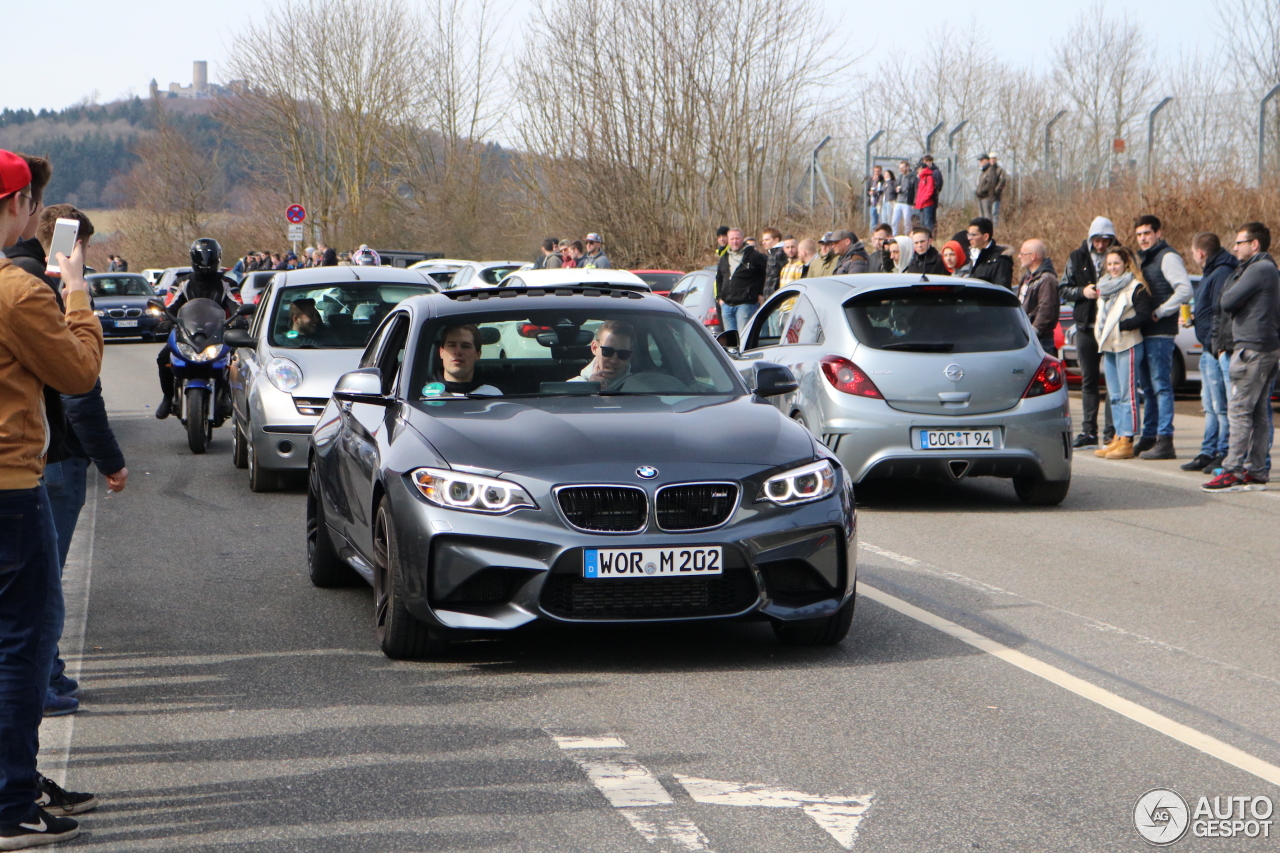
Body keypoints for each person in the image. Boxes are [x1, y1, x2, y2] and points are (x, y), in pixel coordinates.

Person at [0, 148, 103, 848]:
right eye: (30, 202)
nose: (35, 213)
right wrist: (75, 289)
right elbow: (77, 370)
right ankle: (11, 797)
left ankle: (17, 780)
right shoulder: (17, 290)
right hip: (10, 487)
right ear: (13, 207)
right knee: (24, 644)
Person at [1203, 222, 1280, 491]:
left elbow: (1226, 300)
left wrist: (1237, 287)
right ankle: (1256, 471)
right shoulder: (1269, 269)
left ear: (1254, 244)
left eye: (1240, 243)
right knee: (1258, 412)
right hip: (1265, 348)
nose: (1235, 248)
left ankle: (1233, 470)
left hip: (1252, 350)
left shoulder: (1257, 269)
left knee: (1238, 410)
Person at [155, 238, 240, 419]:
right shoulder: (181, 283)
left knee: (236, 362)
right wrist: (165, 319)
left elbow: (236, 305)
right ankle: (168, 397)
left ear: (217, 259)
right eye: (202, 258)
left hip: (218, 333)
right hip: (188, 334)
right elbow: (171, 305)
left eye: (210, 258)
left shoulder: (228, 284)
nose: (206, 262)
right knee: (163, 358)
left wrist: (240, 318)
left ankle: (231, 397)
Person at [1133, 215, 1193, 460]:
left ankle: (1165, 440)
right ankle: (1149, 437)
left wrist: (1162, 310)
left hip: (1161, 332)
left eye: (1147, 233)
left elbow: (1185, 289)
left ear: (1158, 233)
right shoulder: (1146, 260)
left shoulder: (1167, 256)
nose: (1143, 238)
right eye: (1139, 235)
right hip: (1145, 331)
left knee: (1161, 386)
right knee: (1147, 388)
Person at [1061, 217, 1120, 449]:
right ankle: (1089, 431)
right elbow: (1063, 288)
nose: (1100, 245)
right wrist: (1082, 291)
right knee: (1089, 380)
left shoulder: (1120, 256)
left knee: (1113, 381)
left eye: (1105, 240)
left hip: (1112, 326)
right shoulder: (1077, 257)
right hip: (1086, 325)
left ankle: (1111, 431)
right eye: (1096, 240)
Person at [1181, 232, 1238, 472]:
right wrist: (1194, 319)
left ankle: (1223, 452)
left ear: (1200, 252)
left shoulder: (1222, 272)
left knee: (1222, 404)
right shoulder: (1211, 272)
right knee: (1210, 404)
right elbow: (1208, 311)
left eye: (1193, 251)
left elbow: (1220, 313)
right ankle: (1207, 450)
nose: (1193, 255)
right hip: (1207, 347)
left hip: (1217, 348)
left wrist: (1217, 345)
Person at [1094, 247, 1152, 460]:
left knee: (1128, 395)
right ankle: (1118, 435)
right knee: (1115, 395)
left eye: (1116, 263)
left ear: (1126, 264)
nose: (1112, 268)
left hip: (1127, 344)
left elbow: (1144, 316)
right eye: (1109, 264)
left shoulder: (1135, 287)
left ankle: (1128, 439)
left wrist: (1121, 325)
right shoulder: (1105, 287)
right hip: (1108, 346)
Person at [715, 228, 767, 333]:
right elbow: (719, 278)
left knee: (743, 336)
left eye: (737, 238)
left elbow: (765, 274)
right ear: (728, 240)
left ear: (742, 239)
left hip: (746, 304)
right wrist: (720, 298)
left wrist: (761, 293)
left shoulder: (754, 256)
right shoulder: (724, 258)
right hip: (727, 305)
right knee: (731, 340)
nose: (735, 241)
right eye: (732, 239)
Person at [429, 324, 501, 395]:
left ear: (477, 354)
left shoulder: (493, 395)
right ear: (441, 352)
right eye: (452, 345)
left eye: (465, 346)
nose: (458, 352)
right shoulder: (425, 395)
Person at [1017, 239, 1059, 352]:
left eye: (1022, 254)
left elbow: (1046, 311)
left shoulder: (1047, 279)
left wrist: (1032, 333)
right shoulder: (1027, 278)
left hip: (1039, 340)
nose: (1019, 256)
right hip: (1025, 336)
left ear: (1033, 256)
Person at [572, 320, 636, 391]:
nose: (614, 361)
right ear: (594, 348)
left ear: (630, 355)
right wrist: (589, 389)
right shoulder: (572, 388)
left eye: (623, 354)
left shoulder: (641, 389)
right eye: (608, 351)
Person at [961, 217, 1013, 288]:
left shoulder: (1000, 259)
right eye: (969, 235)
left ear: (985, 237)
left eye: (973, 235)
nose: (969, 238)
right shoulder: (973, 256)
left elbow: (1002, 291)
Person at [974, 153, 1007, 224]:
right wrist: (978, 192)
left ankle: (993, 230)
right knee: (984, 216)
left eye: (994, 158)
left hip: (992, 196)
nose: (992, 160)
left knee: (993, 214)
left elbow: (998, 182)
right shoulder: (984, 171)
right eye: (991, 158)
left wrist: (995, 191)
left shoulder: (998, 170)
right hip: (984, 196)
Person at [914, 156, 943, 232]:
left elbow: (930, 190)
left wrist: (923, 199)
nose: (917, 171)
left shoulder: (929, 177)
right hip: (921, 204)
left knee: (928, 223)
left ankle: (930, 237)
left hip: (927, 203)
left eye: (918, 169)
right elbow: (919, 192)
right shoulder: (921, 178)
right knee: (923, 223)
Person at [760, 227, 786, 298]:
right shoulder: (772, 253)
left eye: (767, 240)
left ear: (776, 240)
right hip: (770, 295)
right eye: (763, 240)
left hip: (776, 296)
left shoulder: (781, 253)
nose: (763, 242)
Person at [893, 159, 916, 236]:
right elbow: (895, 186)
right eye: (900, 168)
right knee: (894, 221)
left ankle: (907, 236)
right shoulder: (900, 177)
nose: (901, 170)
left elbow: (916, 190)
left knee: (907, 222)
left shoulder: (913, 178)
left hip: (907, 202)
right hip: (898, 201)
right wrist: (896, 189)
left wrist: (914, 202)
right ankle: (894, 237)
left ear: (907, 167)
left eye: (902, 168)